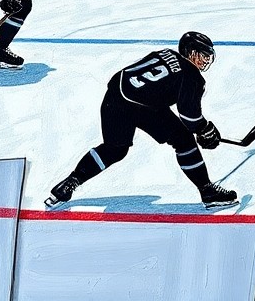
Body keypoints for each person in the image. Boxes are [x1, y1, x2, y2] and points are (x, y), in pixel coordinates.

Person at [45, 32, 239, 210]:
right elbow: (189, 115)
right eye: (203, 54)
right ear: (191, 53)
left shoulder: (166, 53)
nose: (206, 60)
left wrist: (200, 129)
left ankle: (69, 183)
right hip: (143, 107)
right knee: (184, 140)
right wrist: (205, 129)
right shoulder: (193, 77)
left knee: (114, 149)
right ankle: (207, 191)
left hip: (115, 97)